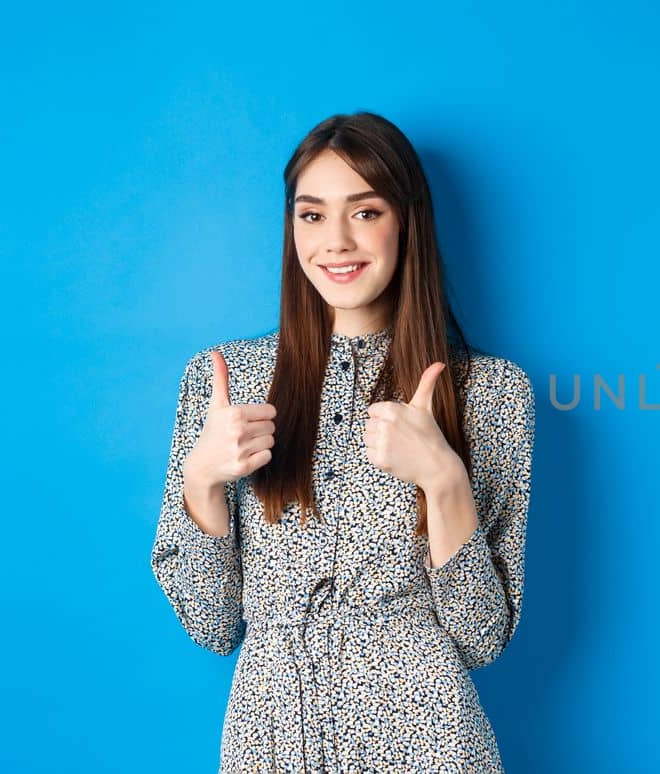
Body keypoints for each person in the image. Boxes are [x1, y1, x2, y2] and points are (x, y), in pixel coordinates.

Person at [149, 111, 533, 772]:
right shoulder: (226, 381)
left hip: (428, 743)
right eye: (312, 214)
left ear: (406, 220)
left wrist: (443, 478)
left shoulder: (491, 392)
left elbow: (479, 637)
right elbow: (212, 626)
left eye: (364, 212)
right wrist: (201, 482)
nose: (335, 242)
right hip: (271, 741)